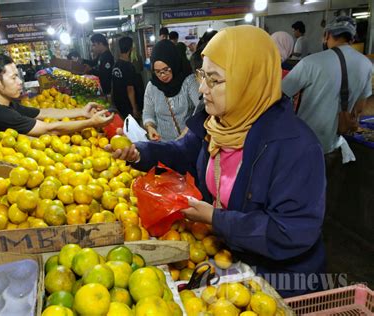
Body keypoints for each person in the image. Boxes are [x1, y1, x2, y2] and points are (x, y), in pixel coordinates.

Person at [109, 26, 326, 298]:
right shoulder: (215, 122)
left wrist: (215, 218)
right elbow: (183, 151)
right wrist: (139, 153)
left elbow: (291, 231)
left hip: (280, 284)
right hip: (229, 266)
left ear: (248, 80)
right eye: (202, 75)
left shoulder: (295, 146)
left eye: (214, 80)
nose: (202, 88)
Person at [0, 53, 113, 181]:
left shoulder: (7, 105)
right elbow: (49, 129)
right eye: (14, 77)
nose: (20, 82)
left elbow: (44, 113)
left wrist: (81, 112)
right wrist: (91, 122)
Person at [282, 16, 371, 214]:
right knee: (321, 195)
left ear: (327, 35)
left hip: (305, 144)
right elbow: (360, 107)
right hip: (334, 143)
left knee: (298, 195)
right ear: (352, 37)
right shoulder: (366, 64)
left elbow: (281, 93)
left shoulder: (312, 62)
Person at [142, 40, 200, 141]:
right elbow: (148, 113)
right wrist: (150, 127)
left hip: (189, 141)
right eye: (158, 72)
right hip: (164, 145)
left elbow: (201, 107)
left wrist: (188, 130)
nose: (162, 75)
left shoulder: (188, 81)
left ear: (174, 63)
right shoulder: (152, 86)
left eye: (166, 69)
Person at [111, 37, 141, 120]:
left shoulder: (116, 64)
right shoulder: (128, 67)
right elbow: (130, 89)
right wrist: (134, 108)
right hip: (127, 105)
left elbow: (113, 85)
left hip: (118, 103)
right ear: (130, 48)